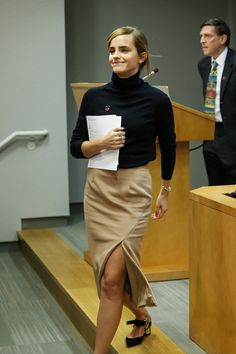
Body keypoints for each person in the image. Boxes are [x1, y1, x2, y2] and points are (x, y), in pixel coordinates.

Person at [70, 26, 176, 354]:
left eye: (124, 50)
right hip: (99, 189)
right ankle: (141, 315)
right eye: (112, 50)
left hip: (134, 191)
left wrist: (165, 189)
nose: (116, 55)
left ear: (141, 57)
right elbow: (76, 147)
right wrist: (99, 143)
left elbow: (169, 145)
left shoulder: (157, 100)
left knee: (112, 279)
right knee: (108, 278)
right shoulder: (94, 97)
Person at [198, 18, 236, 185]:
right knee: (214, 186)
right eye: (201, 36)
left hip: (232, 135)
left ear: (222, 39)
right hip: (210, 135)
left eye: (207, 36)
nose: (202, 41)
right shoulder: (203, 65)